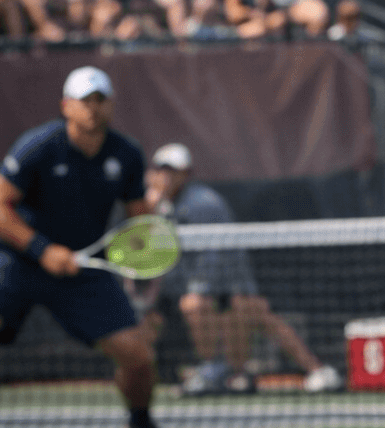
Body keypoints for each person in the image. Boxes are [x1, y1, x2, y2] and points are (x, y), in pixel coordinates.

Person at [0, 66, 171, 428]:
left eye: (100, 100)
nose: (92, 109)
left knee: (138, 355)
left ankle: (140, 427)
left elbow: (139, 223)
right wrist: (43, 250)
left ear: (111, 105)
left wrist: (150, 228)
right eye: (84, 101)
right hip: (18, 261)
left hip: (82, 270)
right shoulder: (39, 145)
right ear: (66, 106)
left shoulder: (126, 154)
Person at [139, 144, 340, 395]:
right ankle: (219, 372)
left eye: (173, 171)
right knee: (187, 311)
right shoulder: (159, 205)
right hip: (196, 283)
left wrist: (199, 290)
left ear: (185, 174)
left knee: (257, 317)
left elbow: (213, 254)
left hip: (231, 279)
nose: (166, 177)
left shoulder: (203, 203)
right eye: (161, 170)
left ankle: (318, 370)